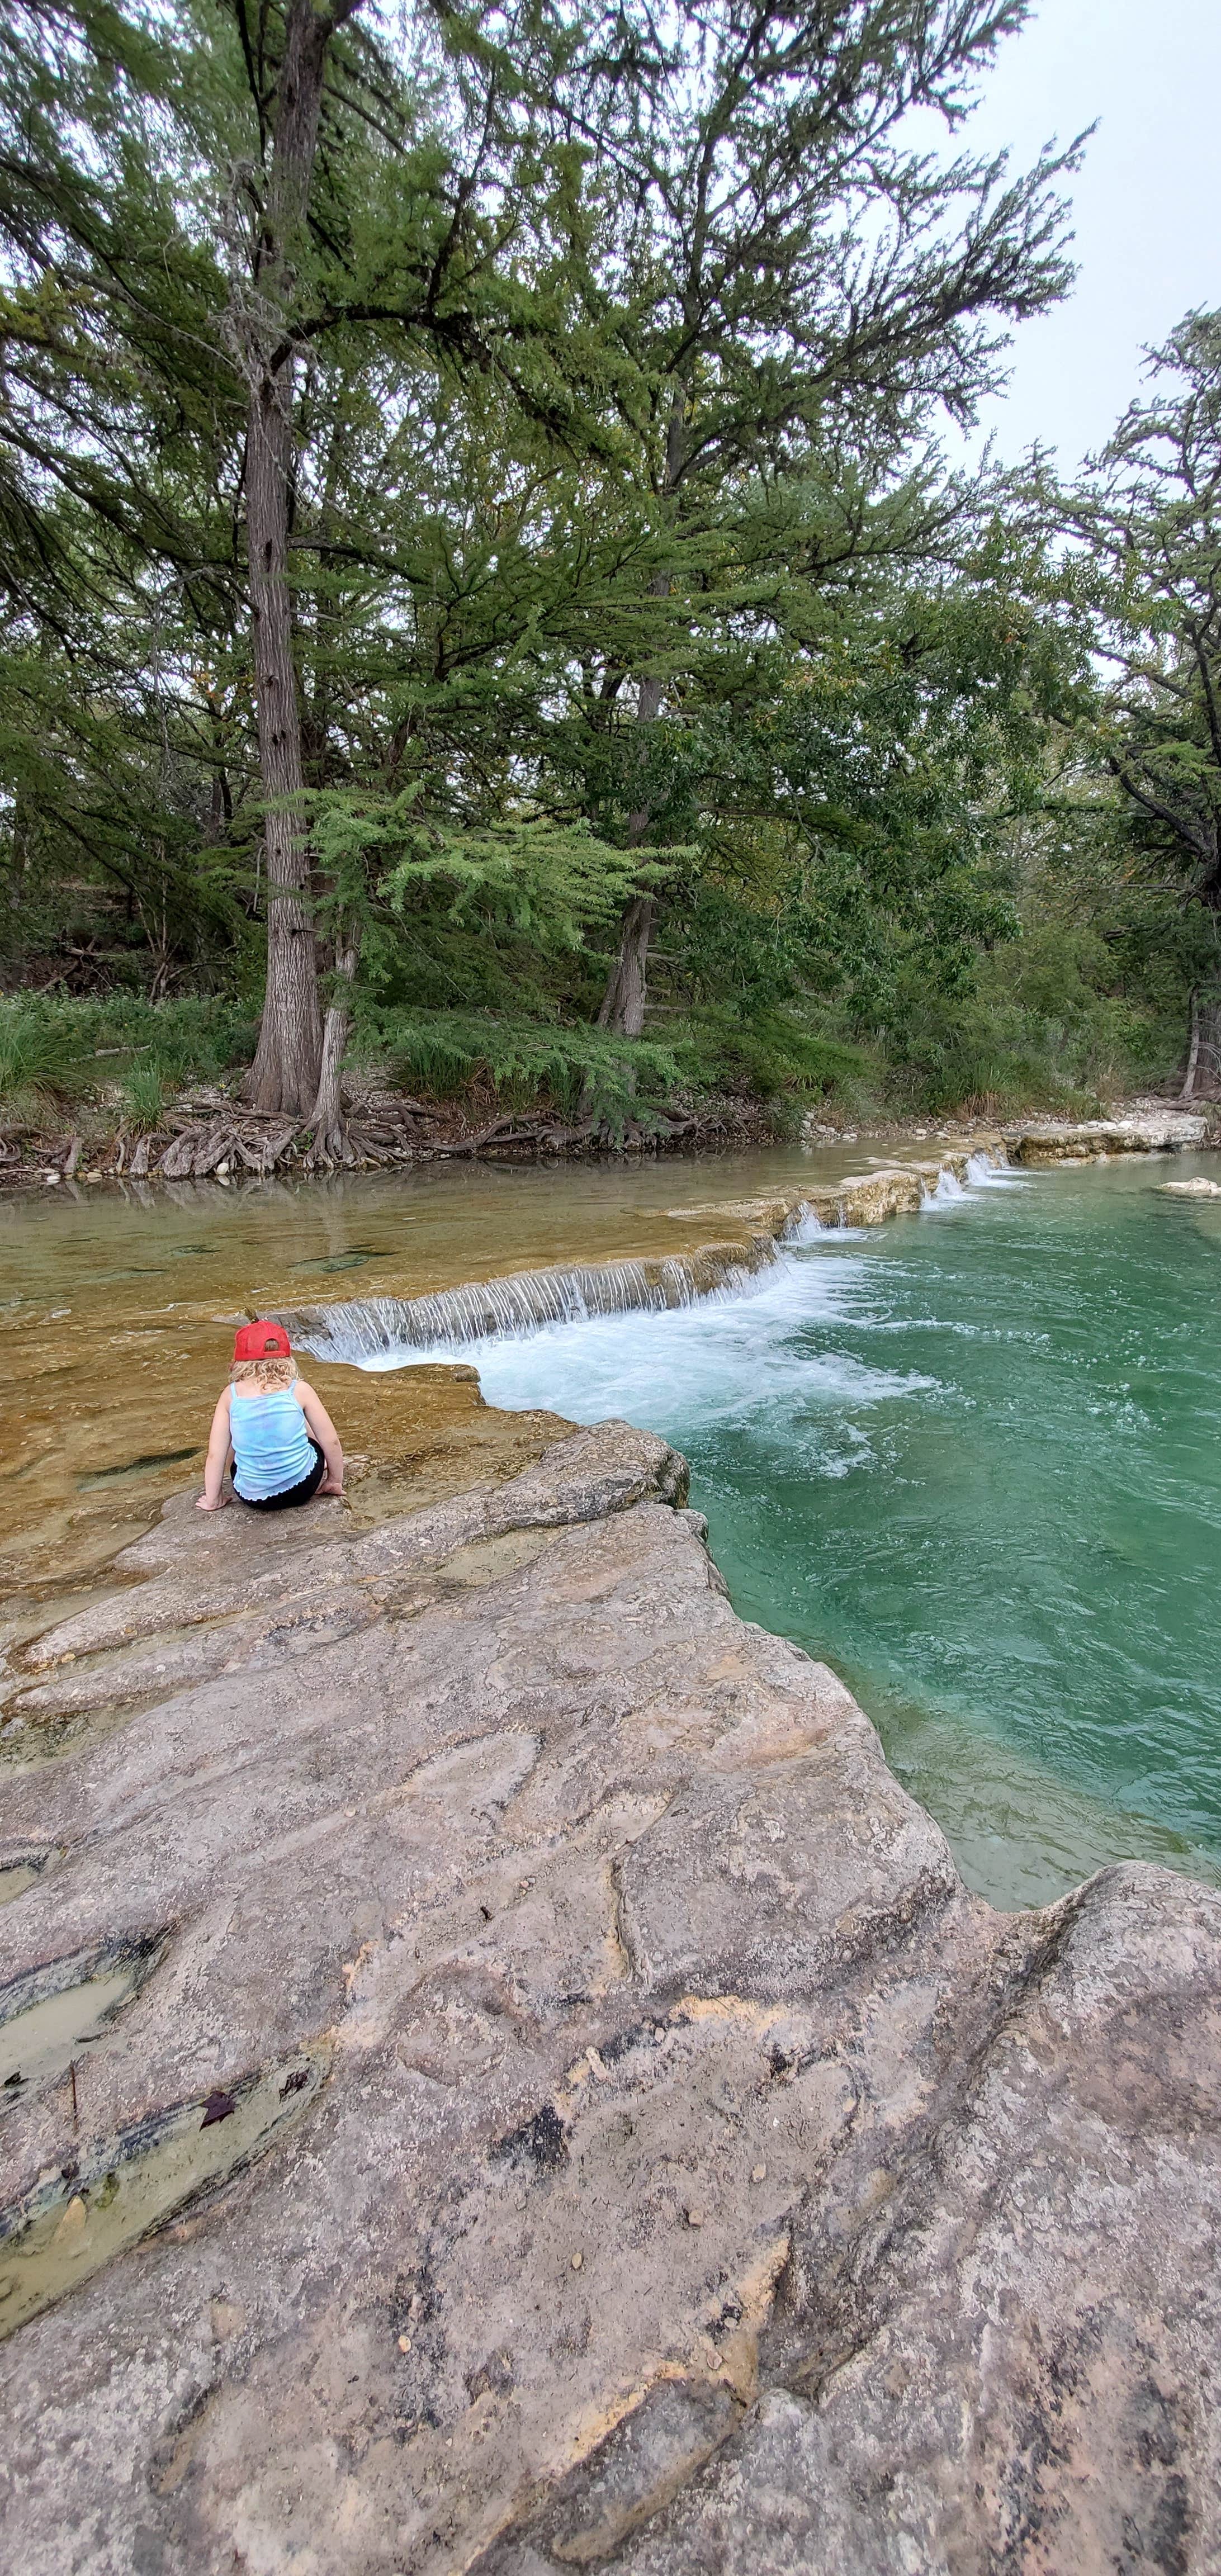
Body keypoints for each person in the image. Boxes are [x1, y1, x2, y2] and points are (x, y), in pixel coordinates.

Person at [197, 1320, 344, 1513]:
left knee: (234, 1435)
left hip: (253, 1497)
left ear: (240, 1361)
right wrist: (334, 1481)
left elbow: (215, 1454)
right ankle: (318, 1463)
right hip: (304, 1487)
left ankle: (234, 1487)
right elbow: (331, 1441)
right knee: (299, 1416)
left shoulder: (231, 1395)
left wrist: (213, 1500)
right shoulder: (299, 1390)